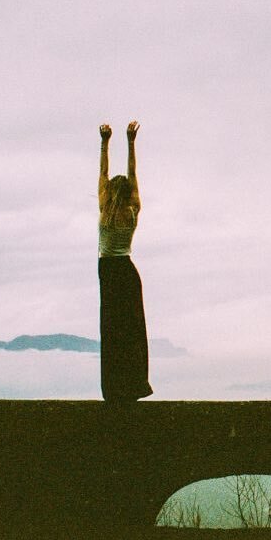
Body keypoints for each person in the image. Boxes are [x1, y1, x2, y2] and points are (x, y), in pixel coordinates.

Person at [97, 121, 153, 402]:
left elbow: (103, 172)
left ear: (110, 193)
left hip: (108, 272)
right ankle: (133, 386)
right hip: (127, 272)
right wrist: (131, 142)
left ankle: (114, 390)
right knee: (131, 332)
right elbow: (133, 173)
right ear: (128, 191)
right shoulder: (133, 209)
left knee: (111, 333)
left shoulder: (104, 207)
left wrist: (105, 142)